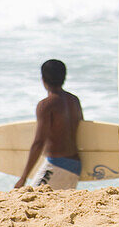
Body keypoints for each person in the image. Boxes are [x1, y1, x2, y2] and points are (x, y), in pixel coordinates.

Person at [15, 59, 84, 189]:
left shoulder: (46, 105)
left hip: (57, 165)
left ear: (43, 79)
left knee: (33, 198)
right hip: (76, 164)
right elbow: (82, 132)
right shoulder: (74, 100)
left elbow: (39, 142)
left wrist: (23, 177)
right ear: (64, 77)